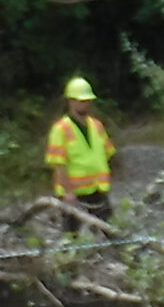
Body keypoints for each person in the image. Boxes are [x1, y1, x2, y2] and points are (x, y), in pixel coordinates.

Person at [44, 76, 116, 224]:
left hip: (97, 188)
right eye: (81, 101)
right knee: (71, 233)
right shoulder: (61, 129)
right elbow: (59, 163)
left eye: (87, 100)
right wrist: (68, 192)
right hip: (73, 192)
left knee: (109, 228)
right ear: (70, 101)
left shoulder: (97, 126)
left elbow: (108, 153)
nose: (85, 104)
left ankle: (110, 247)